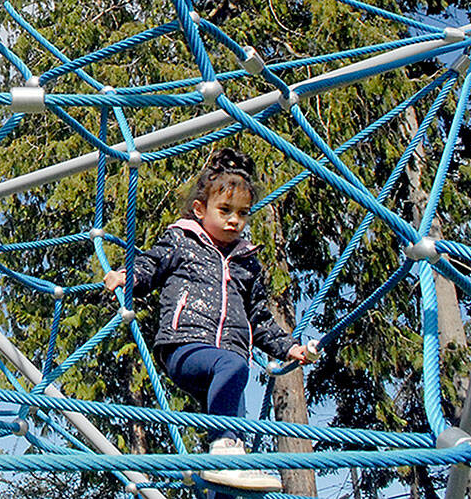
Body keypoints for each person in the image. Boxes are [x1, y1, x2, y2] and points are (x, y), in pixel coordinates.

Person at [103, 147, 314, 493]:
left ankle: (222, 471)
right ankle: (223, 448)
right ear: (200, 210)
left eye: (243, 213)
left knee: (234, 445)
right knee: (233, 374)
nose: (234, 220)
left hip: (227, 360)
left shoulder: (247, 262)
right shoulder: (181, 241)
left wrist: (291, 347)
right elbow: (151, 264)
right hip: (185, 349)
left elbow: (259, 317)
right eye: (225, 210)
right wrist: (128, 275)